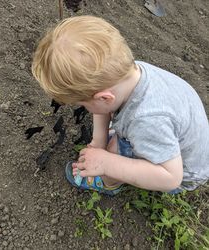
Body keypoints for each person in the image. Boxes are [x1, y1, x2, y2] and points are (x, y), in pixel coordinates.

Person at [32, 15, 209, 195]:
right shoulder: (127, 73)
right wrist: (99, 139)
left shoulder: (146, 121)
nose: (84, 108)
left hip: (181, 172)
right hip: (179, 141)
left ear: (105, 98)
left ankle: (108, 183)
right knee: (118, 138)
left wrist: (106, 163)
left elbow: (171, 178)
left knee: (116, 151)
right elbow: (103, 105)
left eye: (83, 104)